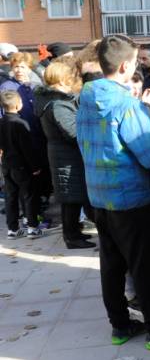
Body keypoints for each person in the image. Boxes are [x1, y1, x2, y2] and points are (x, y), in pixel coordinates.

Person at [77, 34, 150, 350]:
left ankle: (120, 326)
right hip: (129, 198)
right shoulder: (126, 105)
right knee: (144, 267)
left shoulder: (86, 97)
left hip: (99, 196)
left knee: (112, 265)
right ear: (126, 66)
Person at [33, 57, 95, 249]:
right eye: (69, 77)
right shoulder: (58, 104)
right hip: (66, 157)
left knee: (73, 197)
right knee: (71, 198)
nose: (72, 80)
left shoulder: (53, 100)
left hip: (65, 155)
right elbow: (73, 133)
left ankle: (74, 231)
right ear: (61, 79)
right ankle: (71, 237)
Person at [0, 90, 43, 240]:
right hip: (22, 166)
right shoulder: (21, 123)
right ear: (18, 105)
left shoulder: (1, 122)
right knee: (29, 195)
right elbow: (27, 149)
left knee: (10, 196)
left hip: (7, 165)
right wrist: (35, 167)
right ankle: (32, 227)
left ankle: (12, 229)